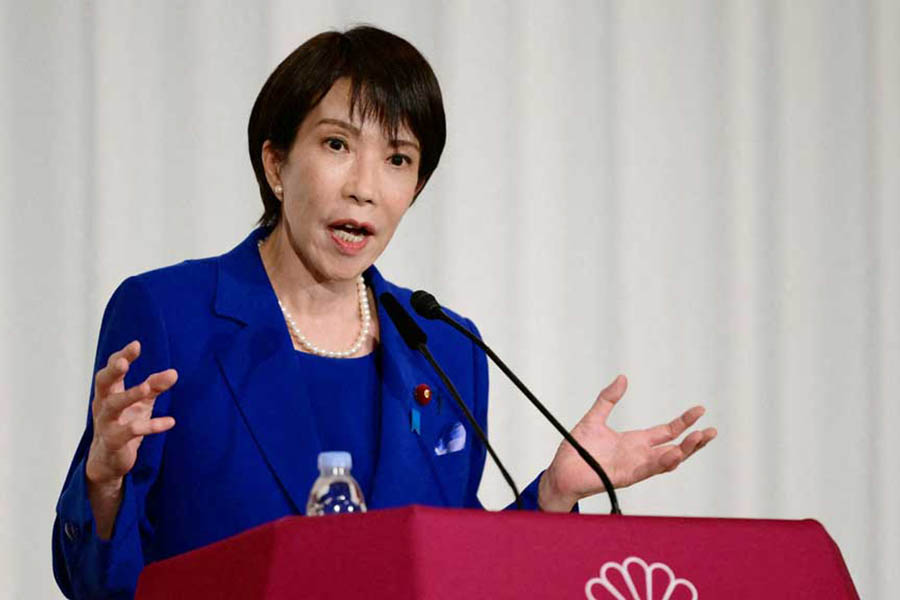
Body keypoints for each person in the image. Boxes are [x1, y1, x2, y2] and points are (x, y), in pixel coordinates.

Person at [52, 26, 716, 599]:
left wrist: (553, 495)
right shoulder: (171, 316)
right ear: (276, 164)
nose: (365, 187)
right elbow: (96, 584)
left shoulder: (445, 348)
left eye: (398, 159)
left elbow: (455, 567)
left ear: (415, 188)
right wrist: (103, 481)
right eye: (337, 145)